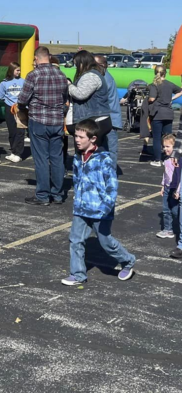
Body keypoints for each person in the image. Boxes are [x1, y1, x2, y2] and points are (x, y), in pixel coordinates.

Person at [62, 119, 136, 285]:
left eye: (81, 137)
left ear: (93, 139)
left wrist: (107, 206)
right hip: (81, 208)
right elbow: (76, 179)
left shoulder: (105, 159)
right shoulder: (77, 158)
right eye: (76, 136)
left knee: (106, 242)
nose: (77, 140)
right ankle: (78, 275)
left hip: (100, 210)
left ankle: (128, 261)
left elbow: (112, 185)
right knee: (75, 240)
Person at [17, 46, 69, 206]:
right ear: (49, 57)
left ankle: (43, 195)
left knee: (41, 159)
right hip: (57, 121)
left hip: (39, 121)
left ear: (37, 59)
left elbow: (22, 100)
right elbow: (66, 98)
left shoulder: (33, 75)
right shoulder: (61, 75)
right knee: (57, 158)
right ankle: (58, 194)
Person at [67, 51, 113, 153]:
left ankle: (90, 168)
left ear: (82, 63)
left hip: (95, 120)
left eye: (77, 64)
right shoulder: (91, 74)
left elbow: (80, 94)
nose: (76, 67)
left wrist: (69, 85)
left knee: (90, 153)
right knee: (95, 152)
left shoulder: (91, 76)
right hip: (94, 119)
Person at [147, 65, 182, 167]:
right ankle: (170, 157)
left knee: (157, 138)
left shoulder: (154, 85)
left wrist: (148, 100)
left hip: (157, 113)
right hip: (168, 113)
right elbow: (180, 91)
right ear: (165, 73)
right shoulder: (169, 84)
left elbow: (152, 98)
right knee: (168, 136)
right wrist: (171, 99)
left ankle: (158, 160)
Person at [94, 55, 122, 166]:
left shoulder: (103, 78)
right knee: (108, 150)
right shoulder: (107, 76)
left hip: (108, 119)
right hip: (111, 119)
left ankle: (109, 176)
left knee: (109, 151)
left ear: (101, 65)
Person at [0, 62, 25, 162]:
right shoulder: (4, 83)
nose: (19, 72)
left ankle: (18, 153)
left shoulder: (23, 81)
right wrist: (8, 101)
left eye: (19, 70)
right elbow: (0, 96)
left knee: (20, 131)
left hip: (20, 108)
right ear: (12, 70)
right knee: (12, 131)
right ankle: (13, 151)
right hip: (9, 108)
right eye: (17, 70)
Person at [157, 134, 181, 239]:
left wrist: (178, 190)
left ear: (175, 147)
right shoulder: (166, 159)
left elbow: (180, 176)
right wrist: (163, 186)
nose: (165, 149)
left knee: (176, 211)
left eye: (168, 146)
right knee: (166, 210)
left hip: (175, 188)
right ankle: (168, 230)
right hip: (167, 188)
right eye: (164, 146)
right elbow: (165, 173)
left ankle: (179, 228)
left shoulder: (178, 161)